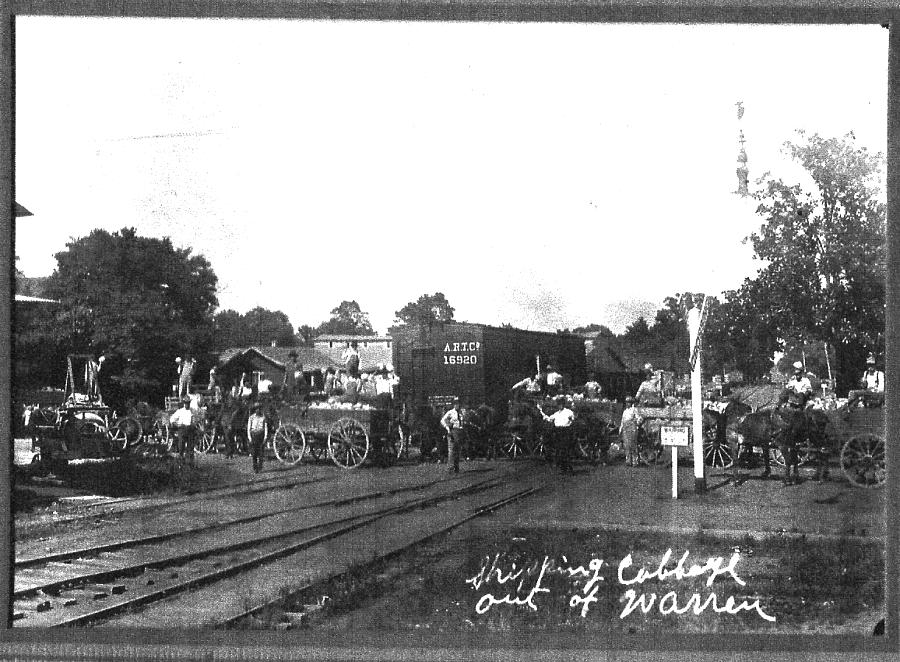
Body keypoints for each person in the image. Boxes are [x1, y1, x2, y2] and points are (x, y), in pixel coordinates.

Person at [538, 397, 576, 472]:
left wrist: (571, 422)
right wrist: (541, 412)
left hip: (566, 431)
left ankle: (566, 465)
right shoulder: (556, 414)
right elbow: (549, 419)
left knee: (564, 449)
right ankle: (563, 466)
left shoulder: (568, 412)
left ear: (563, 404)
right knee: (559, 449)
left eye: (560, 404)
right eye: (558, 404)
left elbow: (573, 419)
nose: (559, 406)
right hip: (558, 431)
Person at [440, 399, 466, 473]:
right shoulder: (450, 412)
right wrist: (447, 427)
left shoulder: (461, 412)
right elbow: (442, 420)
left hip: (459, 431)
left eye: (458, 404)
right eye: (456, 404)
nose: (457, 405)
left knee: (458, 450)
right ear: (453, 405)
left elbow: (463, 422)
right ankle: (450, 468)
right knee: (451, 450)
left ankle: (456, 468)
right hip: (452, 431)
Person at [169, 396, 196, 463]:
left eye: (188, 403)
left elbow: (195, 420)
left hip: (190, 430)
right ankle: (181, 462)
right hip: (182, 429)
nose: (187, 404)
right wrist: (177, 424)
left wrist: (194, 424)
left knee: (190, 447)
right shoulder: (180, 411)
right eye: (186, 403)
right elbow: (171, 419)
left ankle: (190, 463)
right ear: (184, 403)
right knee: (181, 446)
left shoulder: (192, 411)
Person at [619, 396, 643, 467]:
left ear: (631, 403)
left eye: (629, 402)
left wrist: (636, 423)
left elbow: (639, 418)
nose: (627, 404)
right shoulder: (625, 411)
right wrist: (620, 429)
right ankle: (628, 460)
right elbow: (622, 421)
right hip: (625, 428)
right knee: (626, 445)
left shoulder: (634, 410)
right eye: (626, 402)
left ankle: (635, 461)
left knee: (633, 445)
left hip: (632, 428)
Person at [246, 403, 269, 474]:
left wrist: (265, 437)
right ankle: (255, 466)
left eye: (259, 408)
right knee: (254, 452)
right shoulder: (251, 417)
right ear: (254, 410)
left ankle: (260, 466)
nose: (258, 410)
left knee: (261, 452)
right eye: (256, 409)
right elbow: (249, 428)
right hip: (254, 435)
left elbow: (265, 428)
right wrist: (249, 438)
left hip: (261, 435)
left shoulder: (263, 417)